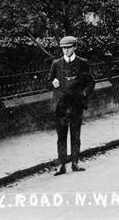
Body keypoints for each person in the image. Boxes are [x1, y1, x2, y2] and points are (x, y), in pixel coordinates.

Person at [48, 35, 95, 175]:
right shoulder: (56, 63)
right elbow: (48, 81)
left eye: (68, 48)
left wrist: (84, 94)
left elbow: (91, 82)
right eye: (63, 48)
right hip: (61, 105)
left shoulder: (83, 63)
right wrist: (52, 83)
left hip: (76, 105)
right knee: (61, 136)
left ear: (74, 47)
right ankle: (61, 165)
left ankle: (75, 163)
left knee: (75, 135)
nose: (66, 51)